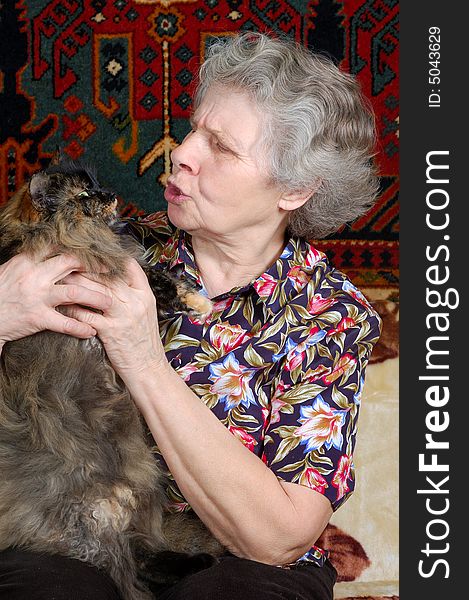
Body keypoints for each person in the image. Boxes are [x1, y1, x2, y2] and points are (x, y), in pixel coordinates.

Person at [0, 32, 381, 600]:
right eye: (195, 128)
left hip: (238, 565)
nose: (182, 152)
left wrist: (145, 361)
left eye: (221, 147)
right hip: (78, 534)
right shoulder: (99, 248)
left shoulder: (332, 317)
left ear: (295, 190)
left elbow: (277, 540)